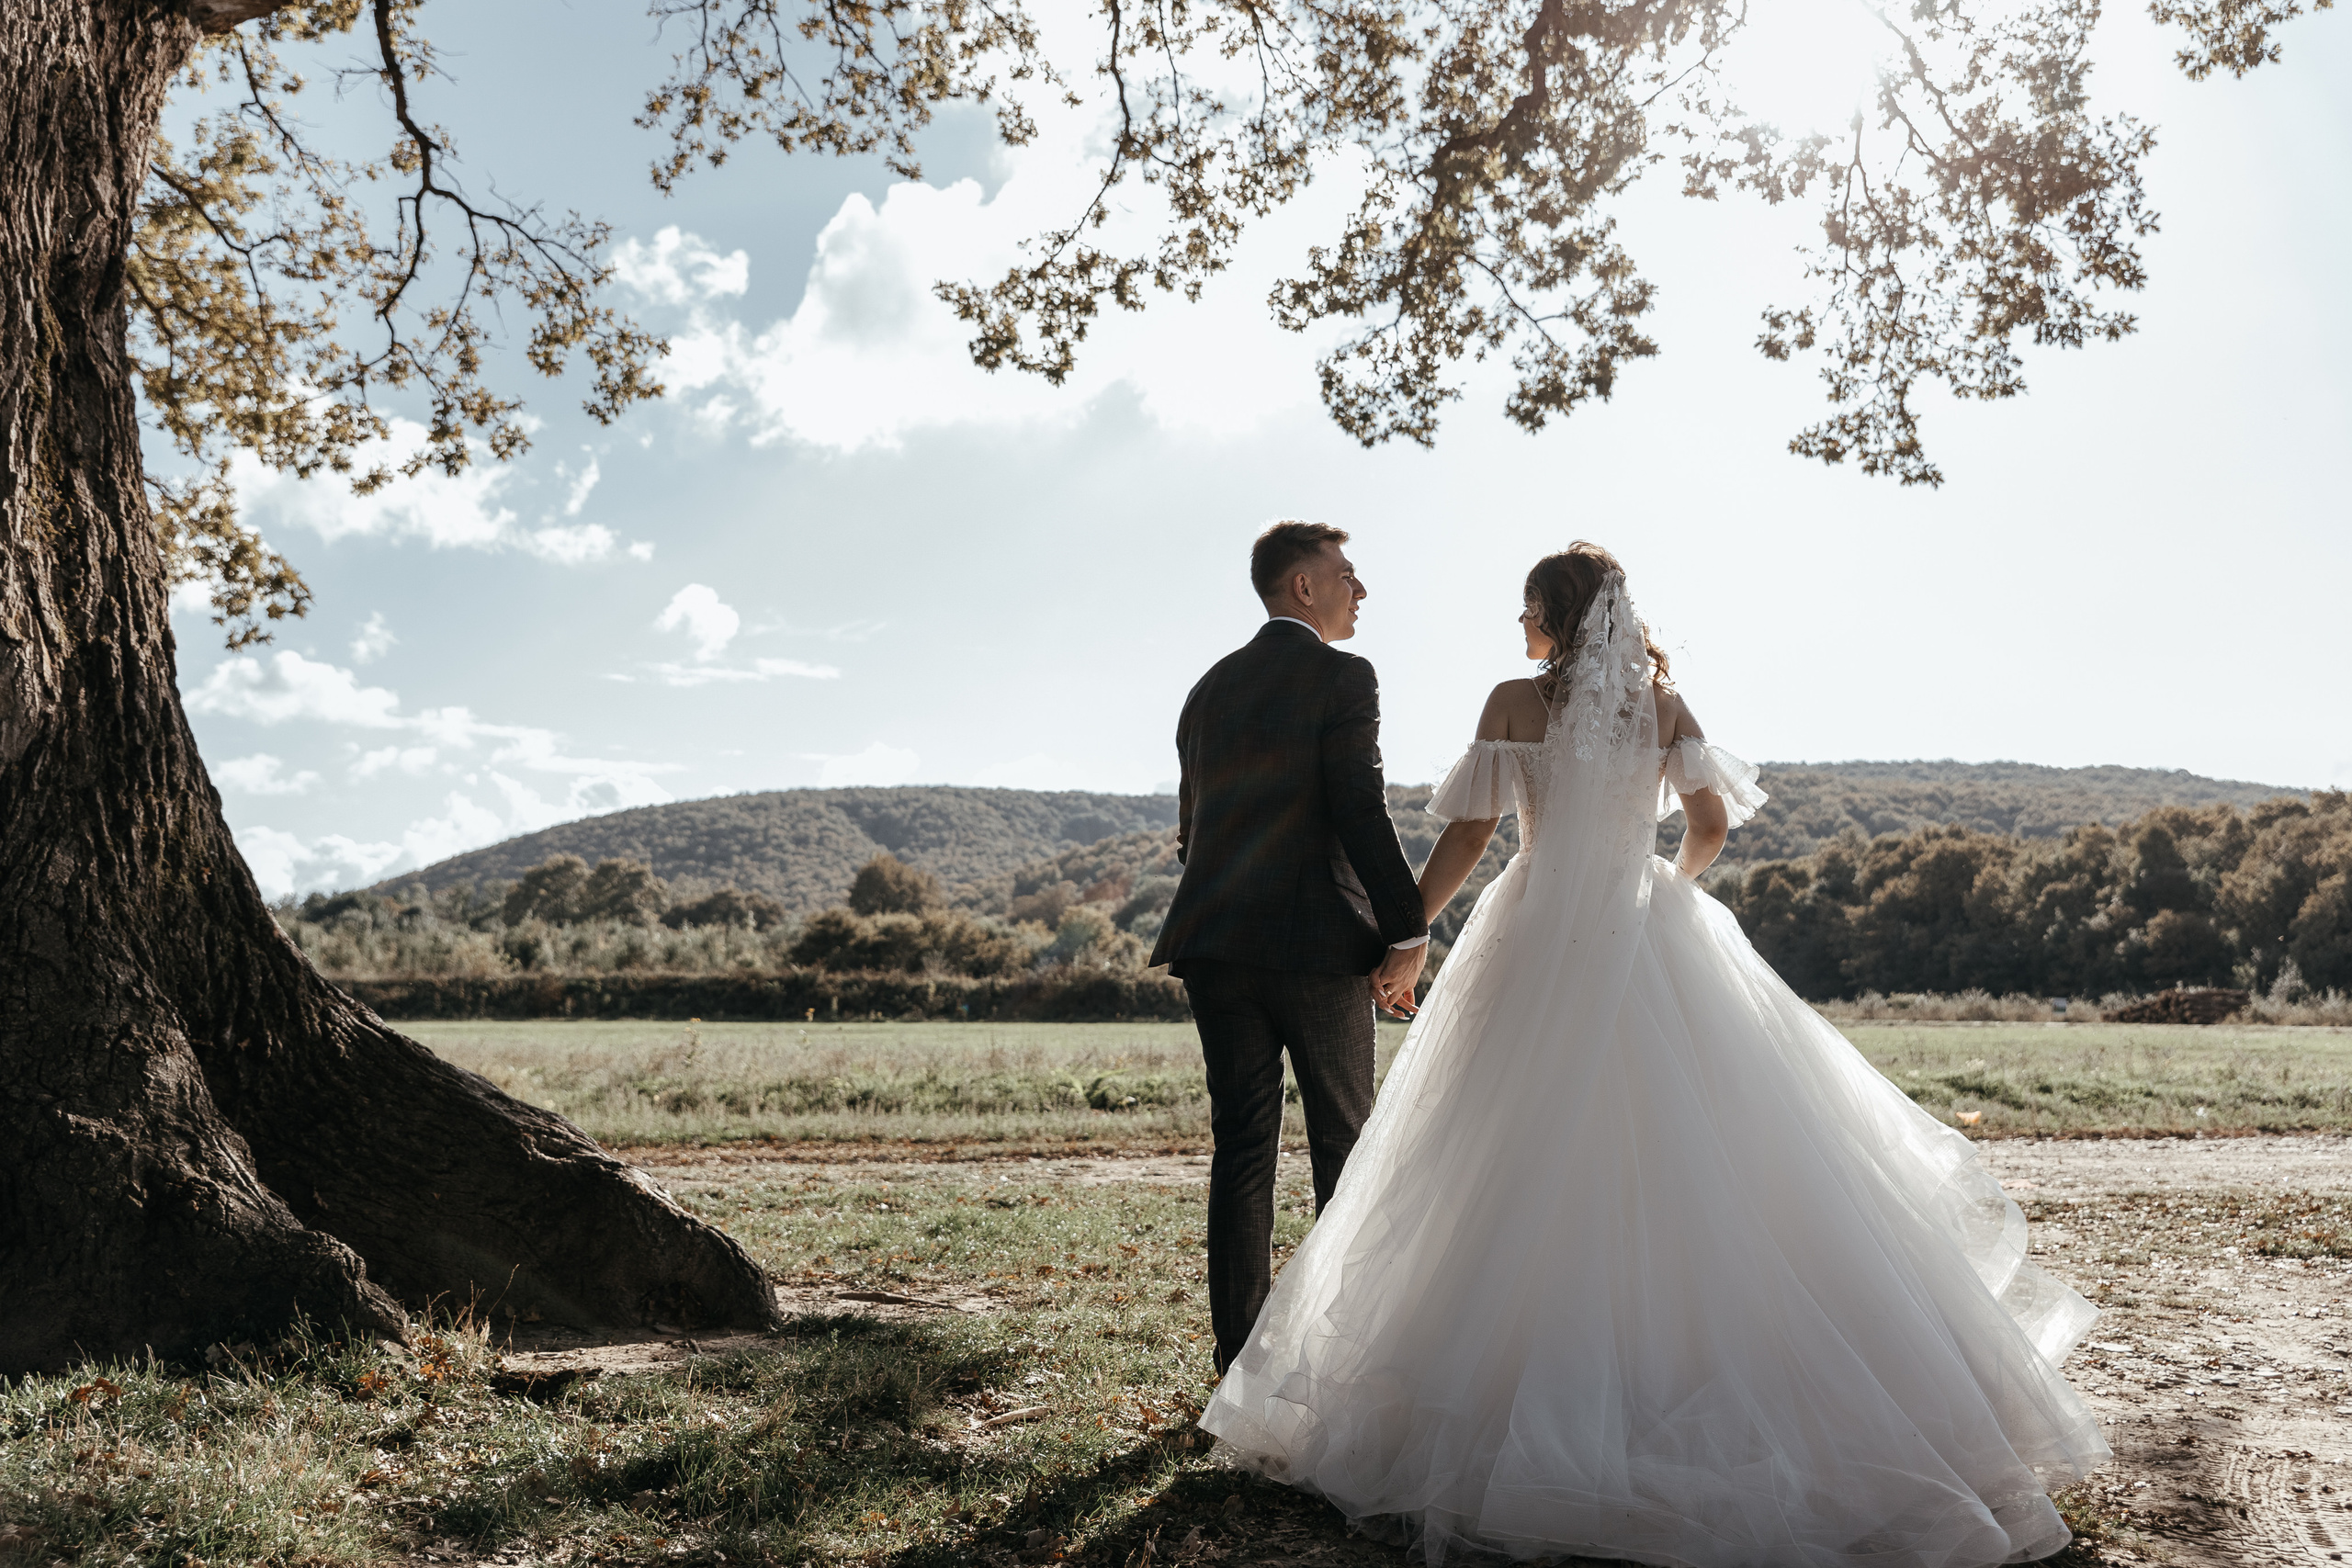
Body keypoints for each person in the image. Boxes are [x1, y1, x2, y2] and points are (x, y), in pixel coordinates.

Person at [1199, 543, 2110, 1567]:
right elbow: (1712, 826)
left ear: (1553, 613)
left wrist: (1408, 933)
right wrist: (1665, 885)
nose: (1518, 628)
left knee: (1510, 1137)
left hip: (1537, 924)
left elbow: (1466, 838)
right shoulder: (1666, 711)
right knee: (1698, 1144)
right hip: (1643, 926)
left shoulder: (1511, 700)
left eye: (1526, 610)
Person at [1149, 520, 1431, 1377]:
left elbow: (1191, 832)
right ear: (1303, 587)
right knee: (1347, 1144)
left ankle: (1237, 1362)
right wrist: (1408, 930)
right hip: (1313, 945)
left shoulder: (1206, 689)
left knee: (1241, 1149)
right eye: (1347, 573)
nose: (1361, 588)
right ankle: (1348, 1362)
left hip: (1214, 944)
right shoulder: (1344, 675)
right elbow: (1359, 805)